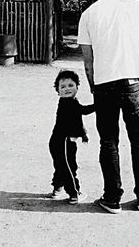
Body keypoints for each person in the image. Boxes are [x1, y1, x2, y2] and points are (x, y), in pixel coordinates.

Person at [77, 0, 139, 214]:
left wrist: (94, 87)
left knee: (109, 142)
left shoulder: (88, 14)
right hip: (134, 81)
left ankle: (112, 197)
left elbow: (88, 62)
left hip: (104, 85)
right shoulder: (137, 5)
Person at [47, 70, 95, 204]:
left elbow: (77, 120)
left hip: (63, 141)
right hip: (62, 142)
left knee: (61, 165)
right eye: (62, 87)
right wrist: (99, 105)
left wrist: (84, 133)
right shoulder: (68, 103)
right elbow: (83, 111)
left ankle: (57, 188)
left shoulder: (72, 101)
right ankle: (74, 193)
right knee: (69, 167)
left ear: (77, 86)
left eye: (70, 85)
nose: (67, 89)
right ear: (58, 91)